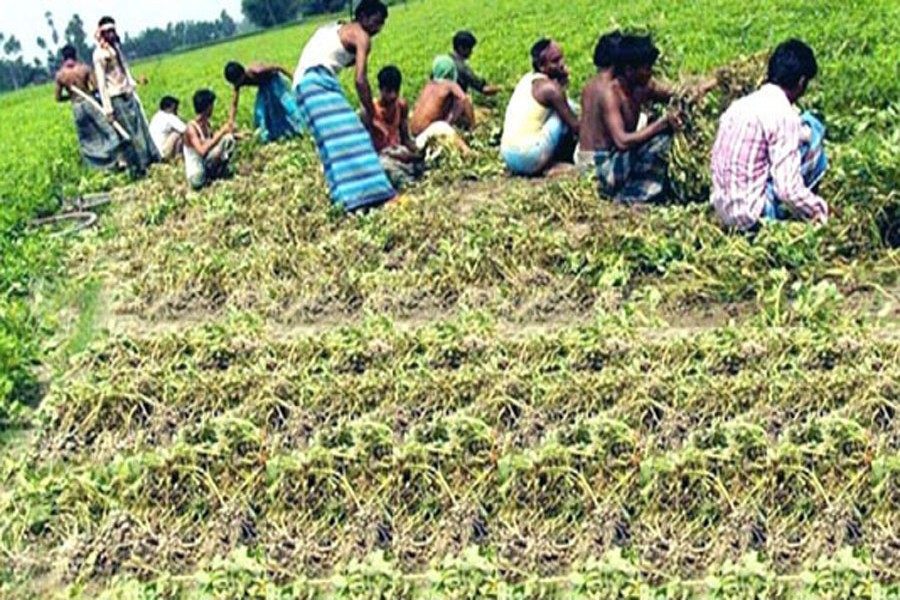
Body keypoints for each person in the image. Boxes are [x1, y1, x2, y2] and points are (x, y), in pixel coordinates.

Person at [711, 39, 828, 229]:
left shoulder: (739, 106)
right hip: (754, 216)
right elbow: (787, 189)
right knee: (813, 130)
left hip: (723, 210)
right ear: (801, 82)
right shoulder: (783, 114)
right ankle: (806, 214)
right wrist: (819, 209)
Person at [292, 0, 396, 211]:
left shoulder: (337, 27)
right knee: (355, 135)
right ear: (363, 17)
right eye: (376, 22)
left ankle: (344, 197)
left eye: (381, 24)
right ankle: (372, 193)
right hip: (317, 83)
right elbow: (360, 80)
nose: (378, 29)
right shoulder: (362, 36)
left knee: (331, 141)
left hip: (303, 84)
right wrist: (372, 113)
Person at [500, 39, 580, 176]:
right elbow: (576, 126)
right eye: (555, 61)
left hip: (508, 154)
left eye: (561, 58)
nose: (562, 64)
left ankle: (551, 159)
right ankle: (556, 161)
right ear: (542, 67)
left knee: (563, 108)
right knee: (569, 110)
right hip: (527, 157)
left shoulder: (528, 79)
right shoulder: (550, 89)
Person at [93, 16, 159, 177]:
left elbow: (125, 71)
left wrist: (134, 83)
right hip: (116, 97)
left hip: (128, 92)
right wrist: (108, 108)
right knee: (130, 134)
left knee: (141, 127)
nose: (111, 34)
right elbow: (102, 83)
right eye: (107, 32)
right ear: (101, 33)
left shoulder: (116, 49)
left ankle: (151, 160)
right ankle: (140, 167)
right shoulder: (100, 54)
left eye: (112, 31)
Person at [54, 44, 125, 170]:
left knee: (86, 139)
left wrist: (70, 97)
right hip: (90, 102)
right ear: (75, 55)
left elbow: (58, 98)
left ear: (63, 58)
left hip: (76, 106)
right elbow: (96, 87)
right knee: (107, 130)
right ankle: (119, 159)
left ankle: (99, 167)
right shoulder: (84, 69)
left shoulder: (60, 75)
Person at [368, 66, 424, 189]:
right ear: (381, 89)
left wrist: (417, 152)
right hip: (382, 157)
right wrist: (392, 155)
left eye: (396, 91)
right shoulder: (370, 112)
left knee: (421, 162)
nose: (393, 95)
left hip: (399, 152)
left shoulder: (401, 106)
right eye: (388, 91)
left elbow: (406, 138)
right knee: (385, 166)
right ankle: (406, 183)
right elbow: (367, 149)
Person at [575, 31, 623, 172]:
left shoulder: (588, 85)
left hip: (581, 157)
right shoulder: (612, 88)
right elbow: (622, 139)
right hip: (600, 161)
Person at [224, 61, 303, 143]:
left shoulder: (257, 71)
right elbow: (234, 103)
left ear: (242, 74)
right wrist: (231, 120)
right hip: (263, 87)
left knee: (286, 104)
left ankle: (301, 127)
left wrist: (294, 79)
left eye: (236, 81)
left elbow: (279, 66)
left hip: (274, 81)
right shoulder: (238, 82)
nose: (235, 84)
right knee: (261, 112)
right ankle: (271, 135)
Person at [410, 55, 474, 151]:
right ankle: (467, 152)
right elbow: (464, 99)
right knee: (442, 126)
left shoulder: (429, 85)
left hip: (414, 137)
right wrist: (472, 126)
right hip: (428, 136)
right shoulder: (449, 85)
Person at [184, 89, 238, 190]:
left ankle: (217, 172)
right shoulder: (191, 128)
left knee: (229, 139)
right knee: (226, 140)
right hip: (196, 175)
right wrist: (222, 132)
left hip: (205, 167)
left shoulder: (207, 124)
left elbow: (211, 142)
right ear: (207, 107)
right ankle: (216, 174)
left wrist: (235, 135)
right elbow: (202, 151)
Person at [448, 31, 500, 97]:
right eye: (469, 48)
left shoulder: (442, 63)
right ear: (461, 48)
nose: (471, 52)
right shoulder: (462, 68)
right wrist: (501, 88)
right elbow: (484, 89)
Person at [149, 96, 187, 162]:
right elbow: (186, 130)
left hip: (154, 153)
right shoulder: (169, 117)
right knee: (177, 134)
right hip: (162, 153)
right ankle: (177, 159)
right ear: (171, 108)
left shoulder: (156, 116)